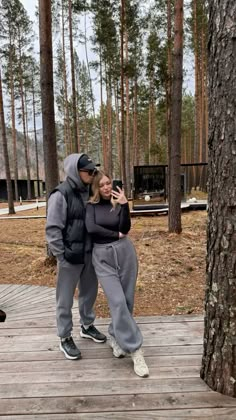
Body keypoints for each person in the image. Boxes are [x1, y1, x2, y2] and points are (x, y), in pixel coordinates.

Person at [85, 171, 149, 378]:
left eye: (108, 183)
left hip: (125, 253)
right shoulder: (91, 207)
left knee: (127, 300)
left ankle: (114, 334)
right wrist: (115, 234)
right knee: (118, 301)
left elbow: (126, 228)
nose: (106, 187)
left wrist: (124, 205)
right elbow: (91, 228)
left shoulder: (117, 203)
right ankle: (136, 349)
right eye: (101, 184)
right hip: (103, 258)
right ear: (96, 187)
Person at [46, 153, 107, 360]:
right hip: (70, 258)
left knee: (89, 293)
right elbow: (53, 229)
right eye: (88, 171)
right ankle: (64, 337)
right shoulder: (60, 195)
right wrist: (61, 257)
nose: (92, 174)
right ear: (75, 171)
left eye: (93, 171)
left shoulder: (91, 191)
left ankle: (87, 325)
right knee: (64, 299)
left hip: (90, 254)